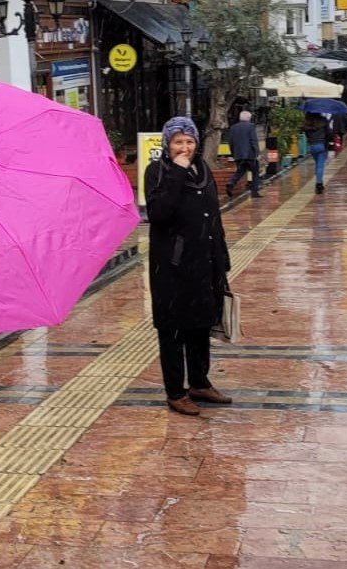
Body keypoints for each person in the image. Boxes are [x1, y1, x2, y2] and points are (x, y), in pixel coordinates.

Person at [144, 117, 233, 416]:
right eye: (178, 142)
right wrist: (178, 172)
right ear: (167, 144)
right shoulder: (158, 171)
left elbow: (213, 216)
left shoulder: (203, 168)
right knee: (172, 329)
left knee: (200, 323)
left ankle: (199, 382)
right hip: (172, 266)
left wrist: (221, 255)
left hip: (204, 261)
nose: (185, 147)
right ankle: (175, 392)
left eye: (190, 141)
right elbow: (159, 213)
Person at [226, 110, 262, 199]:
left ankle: (231, 183)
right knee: (255, 172)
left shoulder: (233, 127)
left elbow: (230, 142)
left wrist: (232, 153)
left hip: (238, 155)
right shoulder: (251, 126)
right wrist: (257, 152)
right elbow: (253, 140)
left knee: (241, 171)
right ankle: (254, 192)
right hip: (250, 155)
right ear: (249, 119)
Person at [302, 112, 332, 194]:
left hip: (312, 146)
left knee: (317, 164)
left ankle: (319, 182)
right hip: (321, 145)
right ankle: (319, 184)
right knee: (320, 166)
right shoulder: (323, 120)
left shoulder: (306, 122)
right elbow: (329, 133)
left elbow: (306, 134)